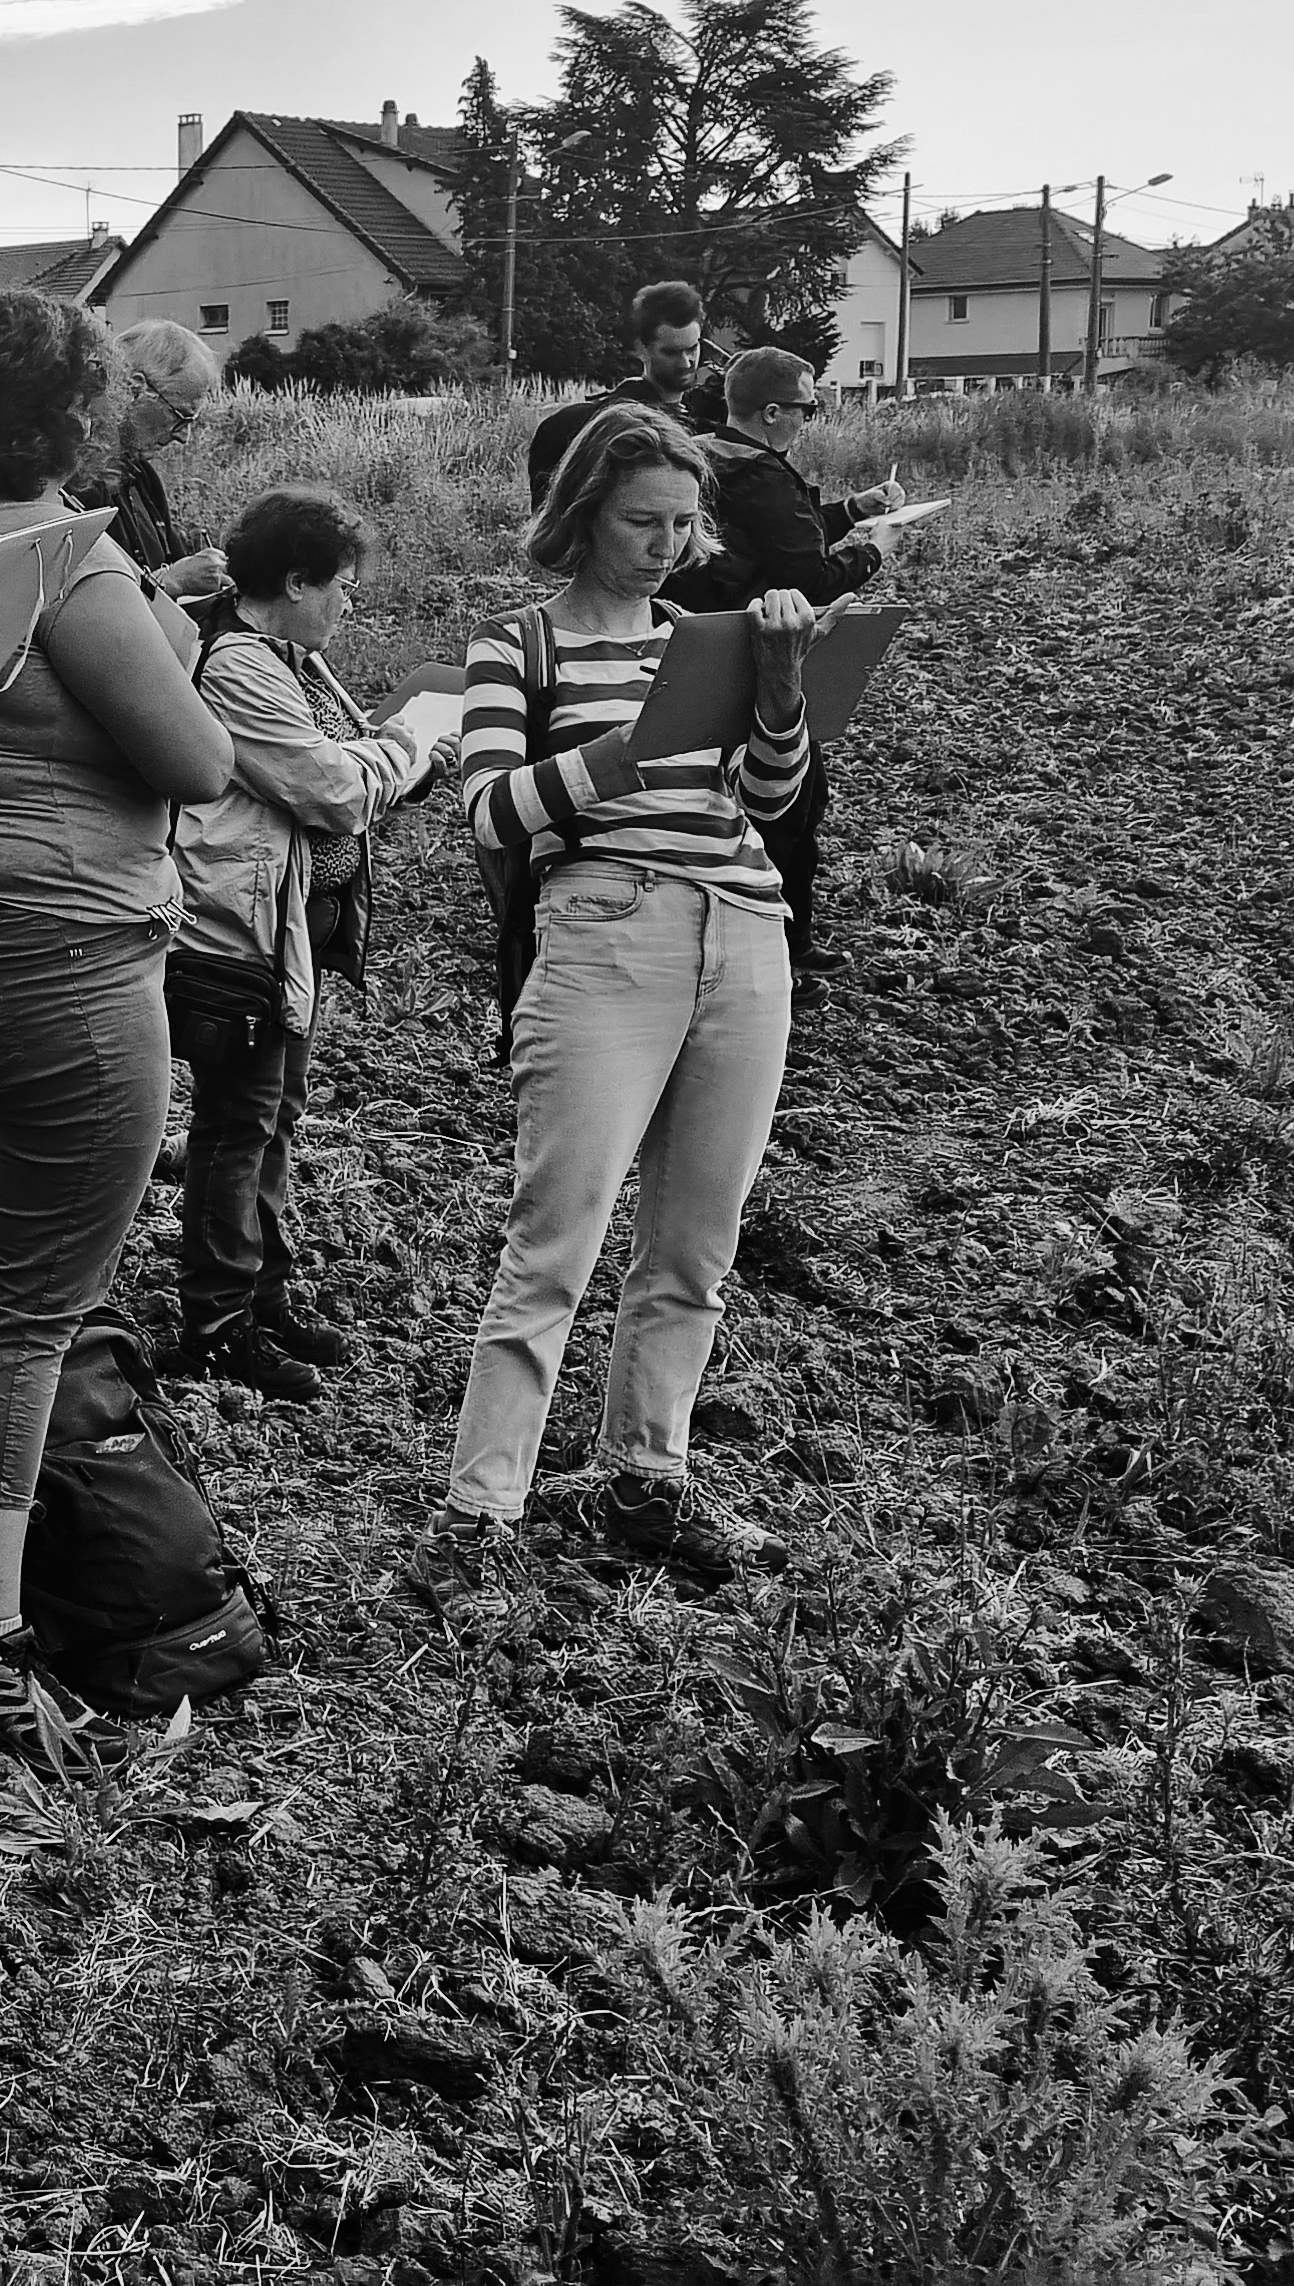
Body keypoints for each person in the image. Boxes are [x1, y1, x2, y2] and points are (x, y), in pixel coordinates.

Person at [0, 292, 233, 1761]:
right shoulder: (67, 562)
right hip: (78, 950)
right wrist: (164, 613)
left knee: (9, 1278)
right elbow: (197, 759)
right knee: (35, 1300)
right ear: (74, 417)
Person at [419, 403, 816, 1605]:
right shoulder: (518, 648)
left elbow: (771, 798)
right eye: (644, 521)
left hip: (744, 932)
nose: (666, 545)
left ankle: (647, 1476)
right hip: (602, 926)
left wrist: (782, 684)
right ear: (585, 515)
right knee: (559, 1241)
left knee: (696, 1248)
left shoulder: (716, 635)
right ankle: (480, 1514)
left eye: (684, 525)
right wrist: (621, 753)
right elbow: (488, 815)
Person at [164, 487, 447, 1402]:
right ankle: (216, 1321)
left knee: (271, 1119)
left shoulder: (294, 660)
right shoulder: (239, 666)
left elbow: (349, 766)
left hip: (283, 929)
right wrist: (409, 749)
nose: (350, 605)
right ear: (292, 581)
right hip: (233, 933)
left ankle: (263, 1292)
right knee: (236, 1129)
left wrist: (389, 762)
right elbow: (333, 788)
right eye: (341, 587)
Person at [665, 345, 905, 977]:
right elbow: (809, 576)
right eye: (807, 407)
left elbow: (777, 534)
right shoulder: (765, 476)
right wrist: (874, 553)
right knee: (793, 800)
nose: (810, 418)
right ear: (773, 412)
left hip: (699, 646)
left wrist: (853, 511)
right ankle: (780, 948)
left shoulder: (704, 457)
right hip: (765, 654)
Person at [522, 278, 718, 507]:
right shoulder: (611, 421)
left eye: (693, 348)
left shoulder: (705, 414)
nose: (687, 362)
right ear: (642, 350)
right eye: (672, 352)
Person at [98, 316, 233, 600]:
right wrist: (172, 582)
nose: (183, 438)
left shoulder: (143, 479)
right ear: (135, 389)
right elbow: (86, 604)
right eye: (180, 417)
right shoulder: (72, 484)